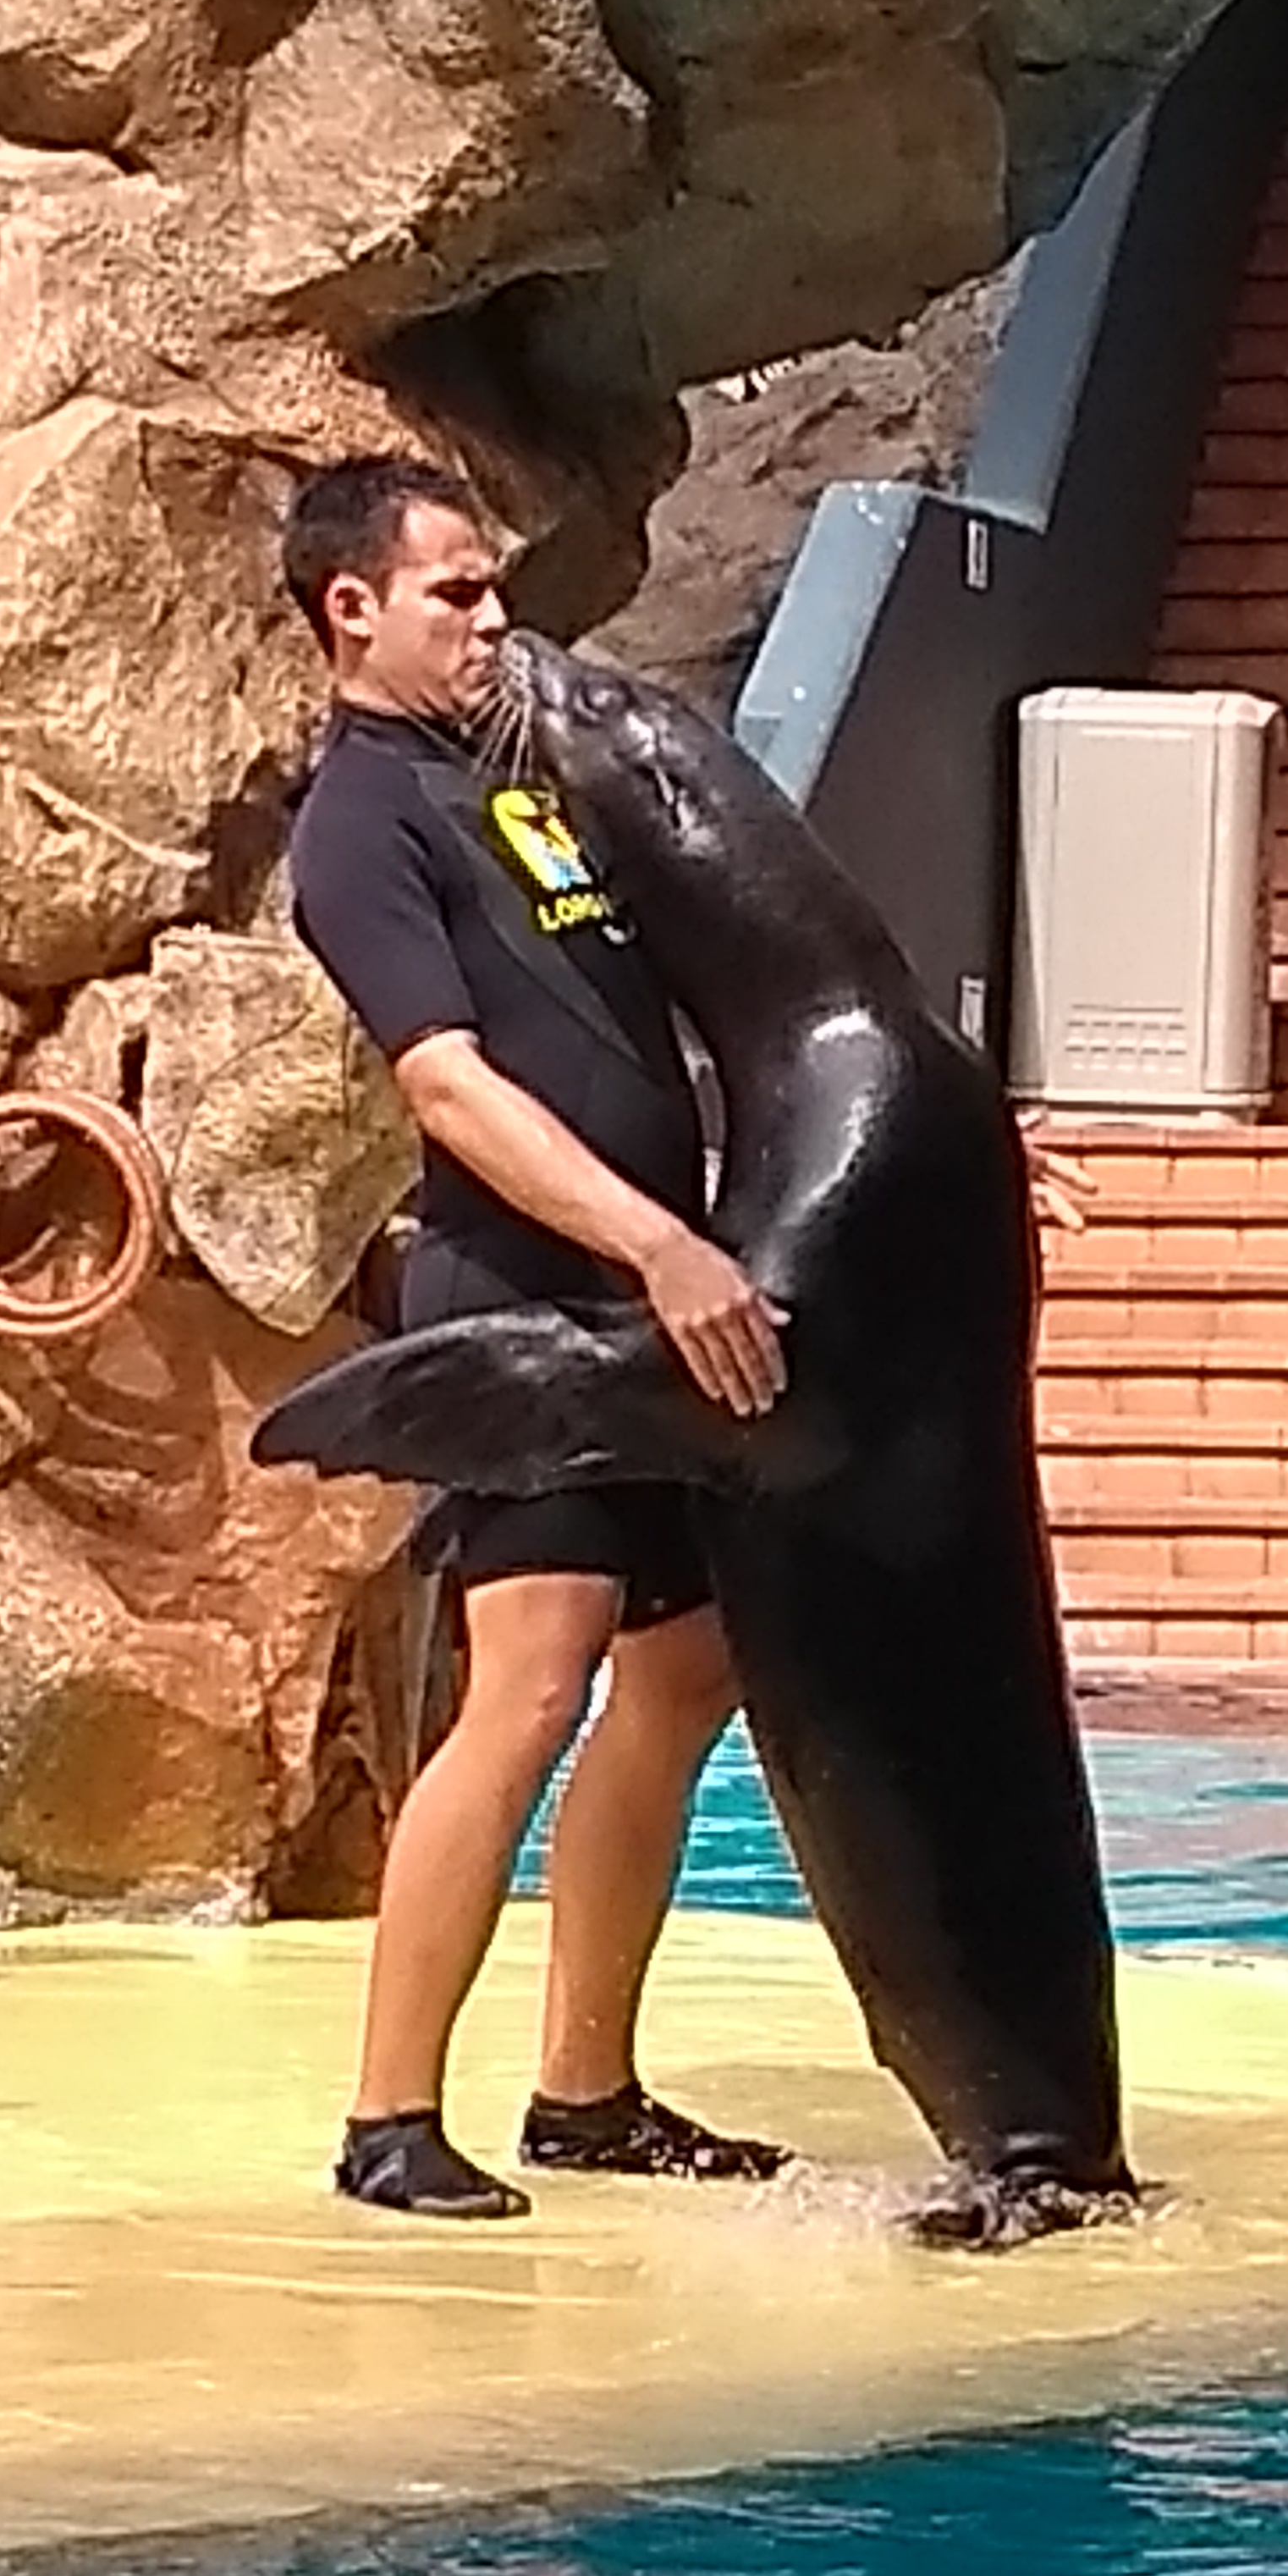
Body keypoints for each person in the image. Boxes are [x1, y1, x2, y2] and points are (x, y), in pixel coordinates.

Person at [282, 452, 791, 2222]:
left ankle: (587, 2089)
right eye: (458, 592)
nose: (494, 619)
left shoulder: (518, 778)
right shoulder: (362, 822)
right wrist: (656, 1243)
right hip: (524, 1297)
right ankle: (388, 2119)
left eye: (493, 587)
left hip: (648, 1303)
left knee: (686, 1668)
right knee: (530, 1684)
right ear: (354, 607)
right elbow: (447, 1084)